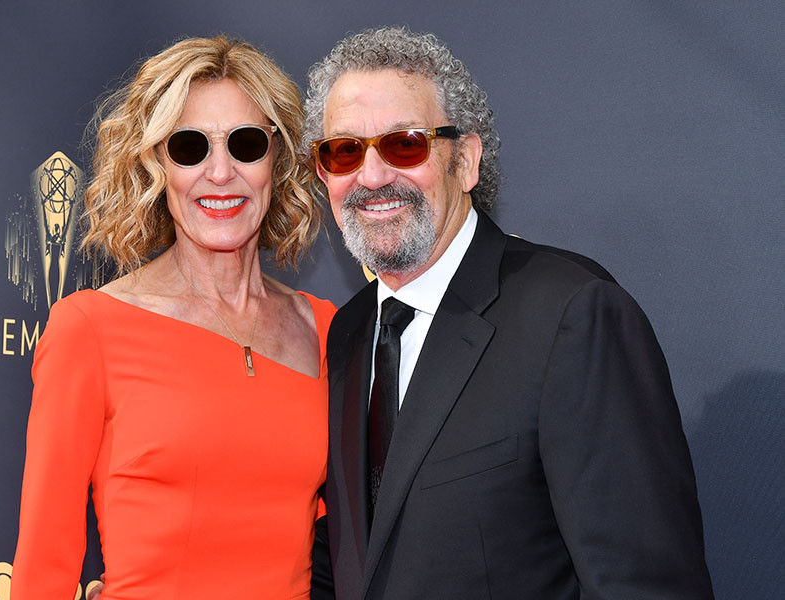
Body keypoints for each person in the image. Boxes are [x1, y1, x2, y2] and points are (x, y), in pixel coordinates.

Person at [305, 26, 714, 599]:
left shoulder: (571, 316)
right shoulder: (348, 333)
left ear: (466, 161)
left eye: (405, 144)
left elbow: (645, 585)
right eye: (345, 151)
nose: (372, 177)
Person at [11, 36, 336, 600]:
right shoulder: (89, 330)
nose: (220, 173)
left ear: (278, 159)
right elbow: (42, 569)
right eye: (189, 147)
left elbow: (343, 545)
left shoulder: (325, 328)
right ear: (156, 165)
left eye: (246, 144)